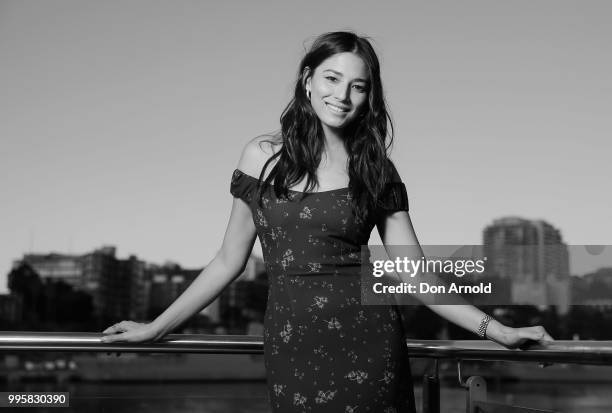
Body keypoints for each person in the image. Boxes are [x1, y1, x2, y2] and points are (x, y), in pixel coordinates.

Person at [101, 31, 554, 412]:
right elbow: (227, 261)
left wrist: (497, 331)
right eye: (332, 78)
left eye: (357, 86)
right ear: (307, 80)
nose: (342, 95)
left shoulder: (376, 169)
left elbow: (415, 275)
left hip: (371, 346)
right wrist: (155, 328)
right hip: (291, 346)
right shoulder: (260, 157)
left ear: (368, 95)